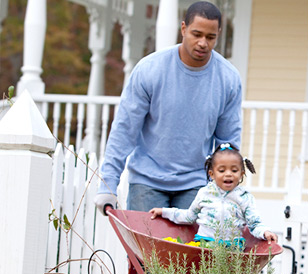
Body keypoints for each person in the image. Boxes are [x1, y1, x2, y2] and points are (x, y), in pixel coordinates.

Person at [95, 1, 242, 214]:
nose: (203, 43)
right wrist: (108, 184)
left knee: (190, 248)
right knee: (146, 248)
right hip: (147, 181)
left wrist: (228, 190)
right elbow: (124, 131)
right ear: (183, 28)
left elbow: (227, 142)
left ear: (218, 33)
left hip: (195, 183)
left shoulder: (228, 79)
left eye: (210, 37)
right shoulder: (150, 70)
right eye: (196, 34)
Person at [149, 143, 278, 248]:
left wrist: (265, 232)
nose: (228, 174)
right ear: (212, 174)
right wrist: (164, 212)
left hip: (231, 249)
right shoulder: (205, 194)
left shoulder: (244, 197)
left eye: (234, 170)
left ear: (242, 174)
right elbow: (188, 216)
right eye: (222, 170)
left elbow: (254, 223)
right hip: (205, 245)